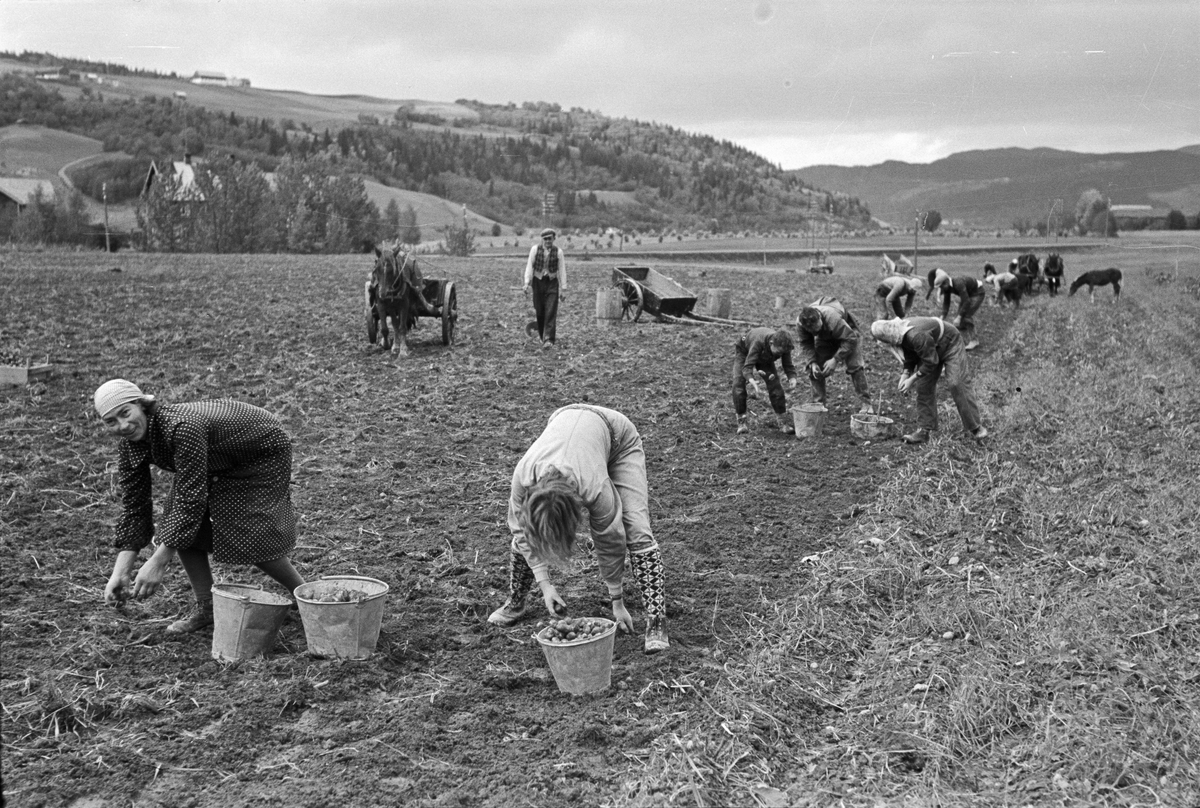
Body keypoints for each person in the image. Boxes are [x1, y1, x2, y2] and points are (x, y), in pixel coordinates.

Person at [94, 379, 306, 633]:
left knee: (249, 531)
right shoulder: (131, 445)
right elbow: (135, 507)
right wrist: (121, 572)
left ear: (142, 405)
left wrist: (158, 562)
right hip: (215, 455)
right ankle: (207, 608)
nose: (123, 425)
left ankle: (305, 597)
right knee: (180, 521)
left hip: (260, 451)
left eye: (126, 413)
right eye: (111, 421)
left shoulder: (181, 427)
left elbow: (191, 501)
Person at [487, 404, 669, 654]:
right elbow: (520, 529)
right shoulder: (523, 475)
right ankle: (516, 602)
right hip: (565, 418)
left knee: (636, 528)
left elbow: (610, 538)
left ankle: (656, 621)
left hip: (618, 438)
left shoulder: (594, 487)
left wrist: (617, 600)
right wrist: (546, 585)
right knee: (525, 535)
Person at [869, 318, 988, 445]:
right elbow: (910, 353)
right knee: (923, 386)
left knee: (956, 382)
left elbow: (931, 362)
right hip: (931, 348)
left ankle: (976, 427)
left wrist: (912, 379)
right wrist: (905, 374)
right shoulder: (902, 334)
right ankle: (923, 431)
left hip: (950, 342)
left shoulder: (916, 335)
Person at [795, 298, 875, 414]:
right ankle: (818, 406)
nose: (814, 333)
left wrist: (835, 359)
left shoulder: (833, 319)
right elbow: (806, 343)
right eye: (812, 332)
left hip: (848, 334)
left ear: (819, 318)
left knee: (855, 366)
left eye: (816, 329)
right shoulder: (800, 323)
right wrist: (812, 362)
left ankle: (866, 404)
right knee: (815, 369)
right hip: (825, 337)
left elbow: (850, 339)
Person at [731, 326, 799, 434]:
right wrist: (751, 380)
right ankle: (741, 421)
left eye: (782, 353)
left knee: (776, 387)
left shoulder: (784, 346)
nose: (780, 355)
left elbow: (788, 365)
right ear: (771, 343)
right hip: (745, 351)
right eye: (778, 353)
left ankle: (782, 422)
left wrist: (792, 378)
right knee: (738, 384)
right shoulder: (758, 342)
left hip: (764, 357)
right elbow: (747, 367)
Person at [523, 227, 566, 347]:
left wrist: (564, 289)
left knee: (551, 311)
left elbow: (562, 271)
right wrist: (527, 283)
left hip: (552, 283)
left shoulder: (558, 252)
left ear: (554, 239)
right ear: (542, 239)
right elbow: (529, 267)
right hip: (538, 282)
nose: (547, 241)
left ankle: (549, 340)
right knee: (540, 311)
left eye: (550, 239)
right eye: (545, 239)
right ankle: (542, 336)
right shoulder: (535, 250)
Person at [926, 268, 985, 349]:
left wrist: (959, 317)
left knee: (966, 316)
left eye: (942, 286)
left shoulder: (958, 283)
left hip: (977, 293)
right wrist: (942, 317)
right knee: (960, 320)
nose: (942, 289)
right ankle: (963, 339)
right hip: (968, 294)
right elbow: (946, 303)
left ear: (946, 282)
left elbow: (967, 301)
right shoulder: (947, 287)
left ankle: (974, 340)